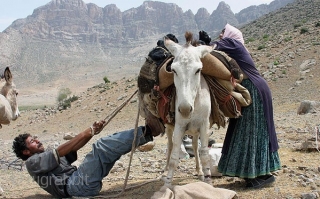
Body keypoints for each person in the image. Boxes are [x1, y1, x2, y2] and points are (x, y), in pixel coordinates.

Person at [209, 24, 281, 188]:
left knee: (253, 130)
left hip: (255, 90)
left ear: (230, 35)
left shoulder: (234, 44)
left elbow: (213, 46)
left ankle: (259, 176)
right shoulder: (233, 50)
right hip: (253, 89)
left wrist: (201, 43)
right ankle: (255, 174)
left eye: (223, 33)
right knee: (245, 129)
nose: (221, 36)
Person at [12, 120, 154, 197]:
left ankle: (146, 133)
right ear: (26, 151)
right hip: (76, 186)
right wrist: (86, 132)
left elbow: (73, 148)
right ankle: (148, 131)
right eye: (32, 142)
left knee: (107, 150)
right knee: (100, 147)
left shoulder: (44, 158)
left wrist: (91, 133)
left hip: (79, 182)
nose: (37, 141)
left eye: (35, 139)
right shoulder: (32, 163)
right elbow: (62, 149)